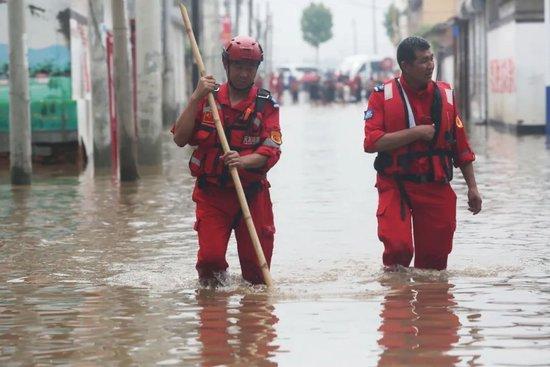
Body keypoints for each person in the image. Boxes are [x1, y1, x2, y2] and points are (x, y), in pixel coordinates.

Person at [363, 36, 482, 270]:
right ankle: (397, 301)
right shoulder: (382, 96)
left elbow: (461, 148)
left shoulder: (446, 97)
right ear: (405, 66)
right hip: (395, 184)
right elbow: (371, 142)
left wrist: (472, 187)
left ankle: (433, 304)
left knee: (435, 263)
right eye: (423, 61)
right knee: (398, 248)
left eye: (431, 59)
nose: (430, 66)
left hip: (435, 185)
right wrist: (416, 133)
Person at [171, 36, 282, 286]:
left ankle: (251, 318)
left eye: (250, 68)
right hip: (212, 195)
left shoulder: (266, 106)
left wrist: (243, 161)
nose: (244, 73)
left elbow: (272, 150)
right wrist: (196, 97)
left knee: (257, 276)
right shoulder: (208, 99)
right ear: (226, 65)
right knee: (210, 265)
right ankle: (213, 314)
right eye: (239, 67)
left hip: (252, 195)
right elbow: (179, 138)